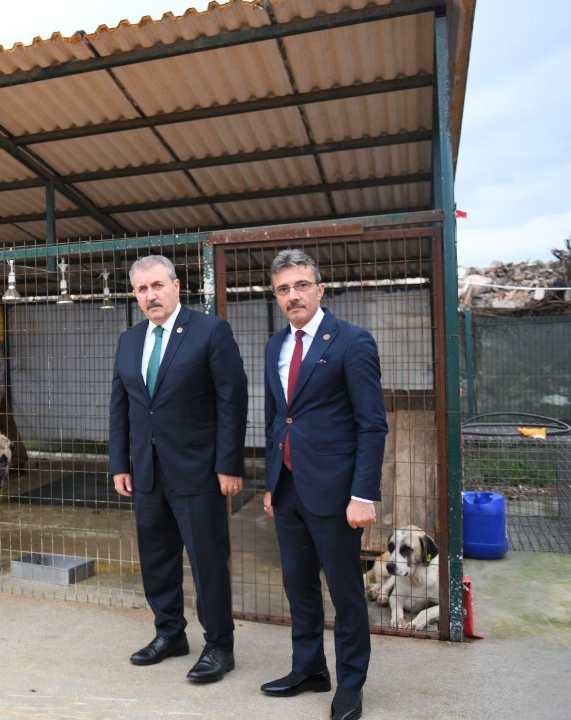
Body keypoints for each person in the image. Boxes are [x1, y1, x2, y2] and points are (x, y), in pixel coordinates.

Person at [259, 249, 387, 720]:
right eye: (283, 289)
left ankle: (350, 685)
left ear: (320, 288)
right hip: (289, 487)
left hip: (336, 491)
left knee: (345, 591)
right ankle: (309, 667)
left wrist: (363, 494)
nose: (293, 296)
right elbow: (278, 418)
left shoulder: (353, 342)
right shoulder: (276, 346)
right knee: (298, 585)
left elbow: (372, 425)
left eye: (300, 285)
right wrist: (272, 483)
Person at [109, 254, 248, 683]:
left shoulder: (210, 331)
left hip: (199, 472)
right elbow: (121, 406)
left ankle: (219, 645)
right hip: (147, 473)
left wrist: (229, 464)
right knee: (156, 559)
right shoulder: (130, 340)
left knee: (207, 561)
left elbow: (232, 400)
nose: (150, 295)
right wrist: (119, 463)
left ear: (176, 285)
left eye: (157, 285)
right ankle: (169, 633)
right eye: (141, 289)